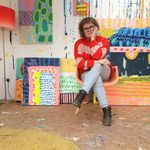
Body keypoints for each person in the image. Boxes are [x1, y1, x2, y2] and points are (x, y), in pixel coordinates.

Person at [73, 17, 112, 126]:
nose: (89, 29)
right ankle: (106, 110)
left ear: (96, 27)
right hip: (87, 73)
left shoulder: (104, 41)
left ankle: (82, 93)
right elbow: (80, 63)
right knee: (96, 78)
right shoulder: (79, 43)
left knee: (98, 65)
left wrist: (93, 39)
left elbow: (99, 55)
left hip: (104, 71)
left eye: (91, 27)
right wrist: (97, 61)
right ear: (82, 30)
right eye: (86, 28)